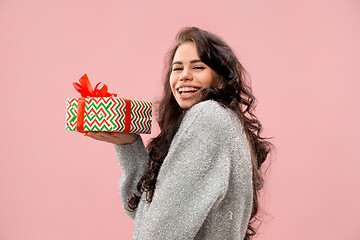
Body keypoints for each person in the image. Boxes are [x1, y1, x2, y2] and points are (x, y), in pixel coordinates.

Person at [84, 26, 274, 240]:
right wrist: (130, 146)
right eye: (177, 68)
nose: (184, 76)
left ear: (220, 79)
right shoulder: (224, 121)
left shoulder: (208, 118)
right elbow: (143, 213)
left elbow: (157, 234)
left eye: (198, 67)